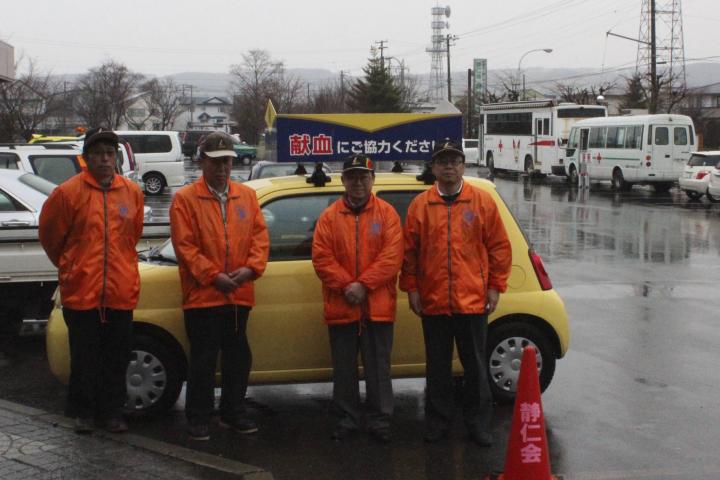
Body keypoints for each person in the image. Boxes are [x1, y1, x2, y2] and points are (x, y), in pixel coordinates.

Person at [399, 138, 512, 446]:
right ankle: (438, 422)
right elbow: (409, 253)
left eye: (454, 160)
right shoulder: (421, 205)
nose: (449, 166)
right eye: (442, 160)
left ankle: (478, 424)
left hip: (472, 300)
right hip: (433, 300)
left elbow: (499, 247)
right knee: (437, 367)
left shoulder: (482, 201)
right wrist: (411, 288)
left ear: (463, 165)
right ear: (433, 167)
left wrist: (494, 287)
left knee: (475, 366)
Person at [39, 127, 145, 434]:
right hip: (82, 290)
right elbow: (50, 236)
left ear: (116, 158)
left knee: (116, 357)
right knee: (84, 357)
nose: (104, 160)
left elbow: (132, 234)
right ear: (87, 158)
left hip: (120, 291)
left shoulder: (131, 192)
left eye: (109, 154)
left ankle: (112, 412)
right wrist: (71, 267)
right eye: (97, 154)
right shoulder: (67, 193)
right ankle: (82, 413)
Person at [170, 131, 269, 441]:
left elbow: (259, 238)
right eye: (215, 162)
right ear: (202, 163)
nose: (222, 168)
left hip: (239, 294)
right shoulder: (185, 199)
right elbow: (185, 248)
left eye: (227, 162)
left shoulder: (247, 196)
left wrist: (250, 269)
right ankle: (198, 417)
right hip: (203, 295)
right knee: (203, 359)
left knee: (239, 357)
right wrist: (213, 276)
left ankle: (233, 412)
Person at [311, 154, 404, 443]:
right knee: (344, 367)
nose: (358, 182)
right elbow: (321, 257)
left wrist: (363, 285)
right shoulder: (329, 217)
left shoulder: (387, 214)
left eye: (364, 176)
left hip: (377, 305)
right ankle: (347, 418)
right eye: (352, 177)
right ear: (343, 181)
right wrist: (346, 286)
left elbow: (392, 256)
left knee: (379, 366)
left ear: (373, 180)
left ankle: (380, 419)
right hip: (342, 303)